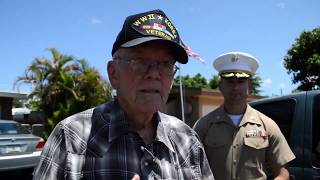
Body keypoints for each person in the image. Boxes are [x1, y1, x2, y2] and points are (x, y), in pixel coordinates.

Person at [33, 9, 214, 180]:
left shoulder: (187, 140)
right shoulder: (71, 138)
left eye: (166, 64)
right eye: (140, 61)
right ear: (114, 73)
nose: (154, 73)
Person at [193, 52, 295, 180]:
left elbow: (282, 173)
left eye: (241, 81)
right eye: (230, 81)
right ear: (221, 86)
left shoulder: (268, 125)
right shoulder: (203, 126)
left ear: (250, 86)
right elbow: (191, 170)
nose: (235, 87)